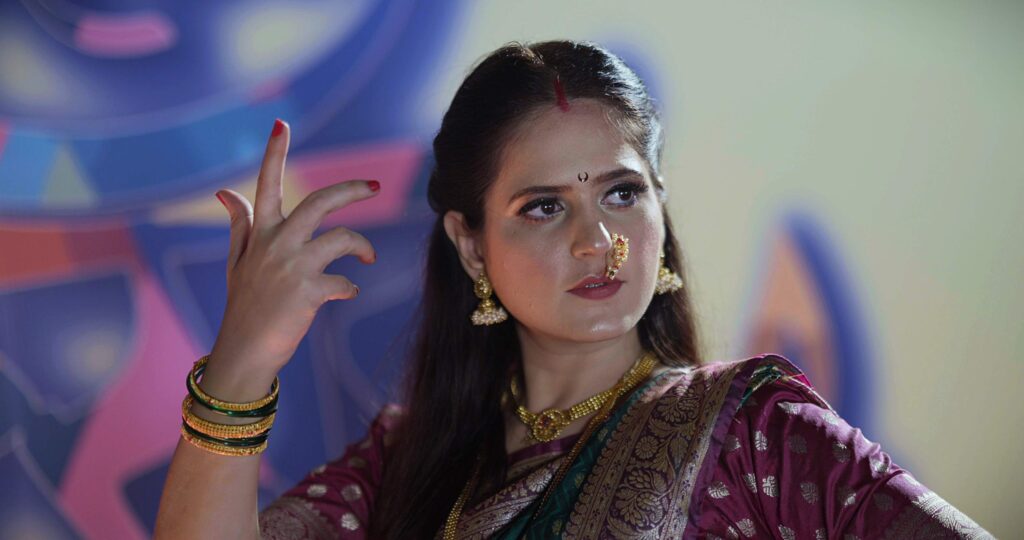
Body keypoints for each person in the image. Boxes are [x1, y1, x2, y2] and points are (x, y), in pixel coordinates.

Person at [154, 40, 992, 539]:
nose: (598, 241)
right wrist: (241, 364)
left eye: (623, 193)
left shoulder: (752, 432)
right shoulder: (407, 462)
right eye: (545, 207)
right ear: (471, 245)